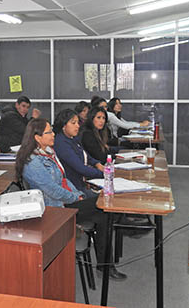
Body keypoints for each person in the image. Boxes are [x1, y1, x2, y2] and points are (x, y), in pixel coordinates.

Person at [16, 118, 126, 280]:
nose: (54, 134)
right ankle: (105, 266)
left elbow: (63, 179)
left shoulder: (49, 152)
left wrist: (77, 194)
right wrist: (76, 196)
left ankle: (105, 265)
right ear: (37, 137)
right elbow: (52, 190)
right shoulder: (32, 162)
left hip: (66, 201)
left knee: (105, 212)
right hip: (53, 210)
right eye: (49, 132)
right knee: (104, 209)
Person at [53, 109, 103, 196]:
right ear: (63, 125)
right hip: (74, 189)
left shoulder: (73, 138)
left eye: (78, 123)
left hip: (83, 183)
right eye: (73, 123)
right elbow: (81, 169)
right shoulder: (61, 144)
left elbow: (86, 156)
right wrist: (105, 174)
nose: (78, 126)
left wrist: (97, 163)